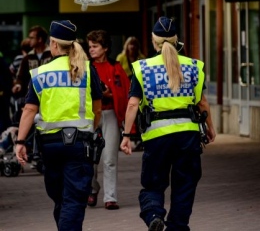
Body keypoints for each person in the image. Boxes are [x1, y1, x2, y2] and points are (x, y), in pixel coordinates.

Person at [120, 16, 216, 231]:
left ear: (154, 41)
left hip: (157, 137)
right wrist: (211, 127)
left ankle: (154, 214)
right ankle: (178, 227)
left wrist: (126, 136)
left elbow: (133, 104)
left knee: (153, 184)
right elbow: (201, 102)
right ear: (176, 40)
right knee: (185, 186)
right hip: (188, 136)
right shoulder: (194, 66)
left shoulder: (142, 68)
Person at [15, 20, 103, 231]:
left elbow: (29, 110)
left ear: (54, 44)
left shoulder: (41, 73)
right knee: (73, 199)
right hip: (79, 145)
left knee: (60, 198)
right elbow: (97, 109)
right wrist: (91, 128)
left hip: (50, 146)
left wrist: (19, 141)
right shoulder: (87, 70)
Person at [86, 29, 130, 210]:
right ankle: (92, 188)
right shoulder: (85, 67)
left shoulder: (116, 67)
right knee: (89, 158)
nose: (91, 50)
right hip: (90, 115)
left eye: (95, 46)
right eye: (89, 47)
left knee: (109, 157)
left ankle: (110, 197)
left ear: (105, 48)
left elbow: (125, 93)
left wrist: (110, 94)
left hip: (110, 113)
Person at [12, 25, 52, 99]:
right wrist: (18, 84)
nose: (29, 40)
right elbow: (20, 76)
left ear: (40, 39)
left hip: (50, 94)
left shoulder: (51, 54)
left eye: (32, 38)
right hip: (32, 96)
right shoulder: (28, 57)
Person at [9, 38, 32, 122]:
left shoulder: (19, 59)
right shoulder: (33, 59)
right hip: (30, 93)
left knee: (17, 117)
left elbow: (11, 71)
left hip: (19, 95)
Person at [0, 56, 13, 134]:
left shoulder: (1, 61)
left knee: (3, 120)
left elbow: (7, 77)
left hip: (2, 95)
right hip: (3, 94)